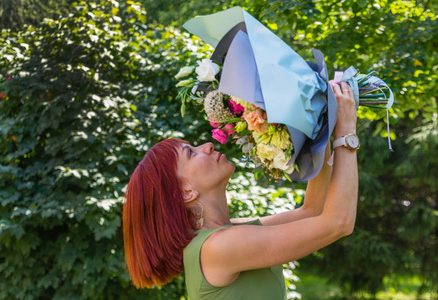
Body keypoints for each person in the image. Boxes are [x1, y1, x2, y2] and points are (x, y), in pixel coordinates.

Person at [123, 81, 358, 300]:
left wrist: (322, 126)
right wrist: (346, 132)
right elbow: (337, 223)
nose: (207, 146)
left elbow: (312, 211)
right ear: (186, 192)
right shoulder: (218, 247)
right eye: (191, 153)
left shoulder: (225, 233)